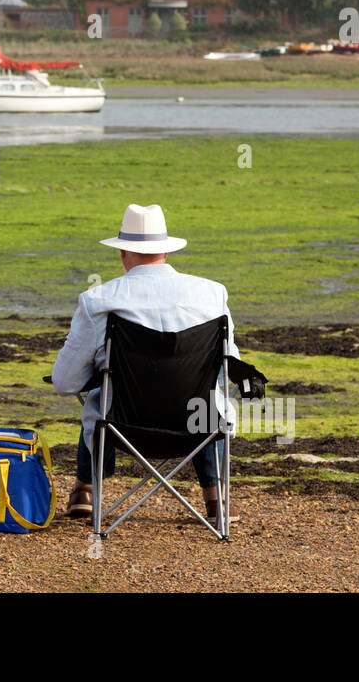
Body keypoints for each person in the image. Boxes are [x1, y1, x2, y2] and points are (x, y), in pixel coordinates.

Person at [50, 204, 239, 526]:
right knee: (202, 392)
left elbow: (65, 382)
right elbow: (227, 368)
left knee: (100, 391)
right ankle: (216, 499)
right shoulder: (212, 294)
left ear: (123, 252)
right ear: (165, 252)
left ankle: (85, 491)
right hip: (197, 429)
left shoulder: (99, 299)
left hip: (123, 427)